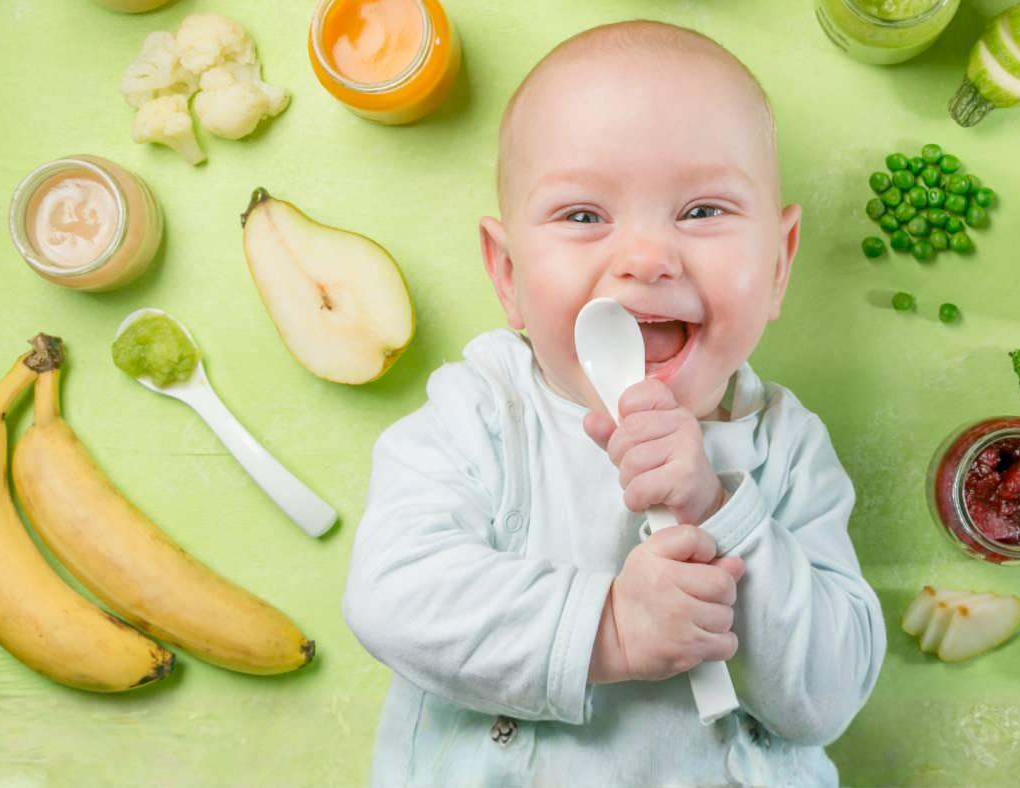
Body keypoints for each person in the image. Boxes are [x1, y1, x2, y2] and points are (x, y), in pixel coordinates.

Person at [343, 19, 886, 786]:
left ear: (777, 266)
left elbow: (828, 696)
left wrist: (717, 508)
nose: (646, 259)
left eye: (702, 211)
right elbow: (392, 596)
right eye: (583, 216)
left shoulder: (786, 450)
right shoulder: (481, 413)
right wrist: (610, 628)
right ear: (507, 274)